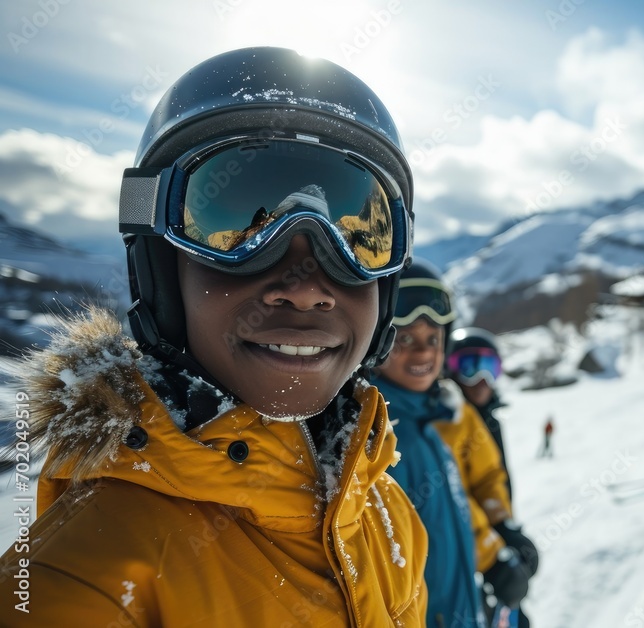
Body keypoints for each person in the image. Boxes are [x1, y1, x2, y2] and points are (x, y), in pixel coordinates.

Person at [0, 47, 429, 626]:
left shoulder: (387, 514)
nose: (304, 289)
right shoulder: (81, 585)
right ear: (160, 266)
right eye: (236, 225)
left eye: (358, 236)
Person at [373, 260, 534, 628]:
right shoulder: (388, 438)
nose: (422, 353)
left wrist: (503, 529)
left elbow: (475, 490)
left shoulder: (432, 422)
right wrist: (494, 556)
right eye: (405, 339)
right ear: (377, 341)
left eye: (433, 339)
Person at [447, 326, 540, 626]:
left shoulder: (489, 420)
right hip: (462, 558)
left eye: (489, 367)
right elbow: (453, 496)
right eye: (468, 366)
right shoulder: (444, 421)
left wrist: (505, 527)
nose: (480, 379)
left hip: (490, 550)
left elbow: (489, 484)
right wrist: (493, 553)